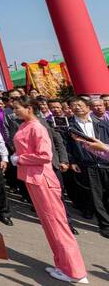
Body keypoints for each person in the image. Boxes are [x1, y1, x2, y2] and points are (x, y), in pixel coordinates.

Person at [11, 97, 88, 284]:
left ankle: (76, 271)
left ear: (29, 108)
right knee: (49, 225)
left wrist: (19, 159)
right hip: (32, 178)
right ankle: (62, 265)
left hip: (42, 179)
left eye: (17, 108)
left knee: (57, 224)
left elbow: (45, 155)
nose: (14, 111)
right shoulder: (25, 125)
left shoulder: (37, 127)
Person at [68, 97, 109, 238]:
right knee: (96, 196)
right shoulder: (70, 126)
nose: (77, 107)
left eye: (79, 104)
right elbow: (68, 146)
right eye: (73, 105)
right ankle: (105, 226)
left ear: (88, 107)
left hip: (106, 162)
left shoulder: (102, 123)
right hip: (88, 164)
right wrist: (72, 161)